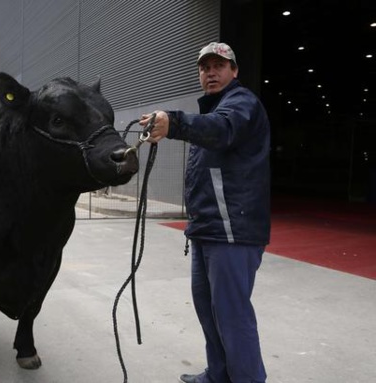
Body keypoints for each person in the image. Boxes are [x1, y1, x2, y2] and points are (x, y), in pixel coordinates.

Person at [140, 42, 270, 383]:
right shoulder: (214, 111)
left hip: (232, 231)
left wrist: (175, 123)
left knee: (232, 316)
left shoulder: (240, 104)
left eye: (219, 66)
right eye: (204, 67)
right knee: (209, 313)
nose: (210, 72)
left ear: (234, 70)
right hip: (206, 231)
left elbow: (223, 130)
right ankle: (219, 374)